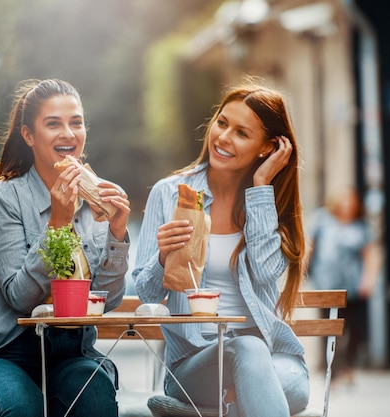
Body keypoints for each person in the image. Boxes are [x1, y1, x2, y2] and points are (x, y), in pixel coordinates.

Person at [0, 79, 131, 417]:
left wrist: (117, 233)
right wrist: (58, 224)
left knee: (95, 395)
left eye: (76, 122)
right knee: (22, 407)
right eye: (53, 124)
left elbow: (107, 300)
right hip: (2, 353)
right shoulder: (4, 199)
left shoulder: (98, 201)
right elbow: (20, 298)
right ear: (28, 135)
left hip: (71, 354)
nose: (68, 133)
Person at [133, 77, 310, 417]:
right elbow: (148, 297)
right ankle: (221, 401)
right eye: (223, 123)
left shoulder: (270, 203)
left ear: (267, 148)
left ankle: (214, 408)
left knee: (292, 385)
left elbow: (264, 272)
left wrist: (260, 190)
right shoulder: (170, 193)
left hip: (271, 354)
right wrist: (161, 257)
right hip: (194, 361)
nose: (224, 138)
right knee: (248, 352)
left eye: (242, 133)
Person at [306, 185, 381, 385]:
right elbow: (310, 246)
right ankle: (330, 369)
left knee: (353, 329)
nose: (347, 205)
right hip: (326, 284)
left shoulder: (361, 225)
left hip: (353, 286)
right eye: (343, 200)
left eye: (351, 201)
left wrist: (369, 280)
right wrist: (301, 270)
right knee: (326, 328)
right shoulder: (322, 220)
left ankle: (348, 364)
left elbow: (370, 254)